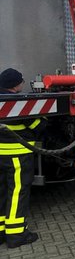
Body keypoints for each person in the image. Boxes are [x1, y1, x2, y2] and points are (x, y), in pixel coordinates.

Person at [0, 68, 45, 248]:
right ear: (14, 85)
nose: (23, 84)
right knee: (17, 192)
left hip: (1, 154)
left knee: (2, 190)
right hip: (17, 155)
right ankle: (16, 234)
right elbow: (37, 125)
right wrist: (44, 117)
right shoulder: (17, 103)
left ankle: (1, 232)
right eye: (21, 81)